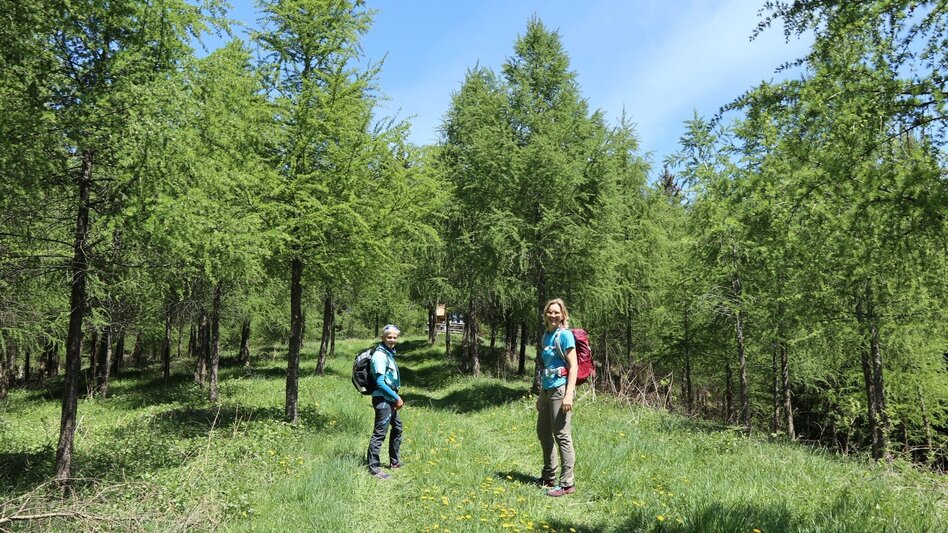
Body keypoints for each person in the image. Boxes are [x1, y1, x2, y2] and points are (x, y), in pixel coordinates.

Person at [536, 298, 578, 497]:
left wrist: (569, 394)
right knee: (543, 432)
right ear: (545, 315)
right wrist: (540, 395)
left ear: (563, 315)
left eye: (556, 312)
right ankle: (548, 476)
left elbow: (574, 366)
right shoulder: (546, 336)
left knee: (561, 435)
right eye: (549, 312)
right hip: (546, 390)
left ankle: (567, 484)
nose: (553, 315)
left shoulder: (565, 335)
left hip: (560, 390)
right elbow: (545, 366)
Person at [366, 324, 404, 479]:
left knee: (397, 427)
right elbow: (380, 383)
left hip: (388, 398)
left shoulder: (388, 353)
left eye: (395, 337)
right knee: (379, 433)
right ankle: (374, 469)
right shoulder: (380, 355)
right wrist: (397, 398)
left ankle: (394, 462)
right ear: (382, 337)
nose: (392, 340)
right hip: (383, 400)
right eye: (389, 337)